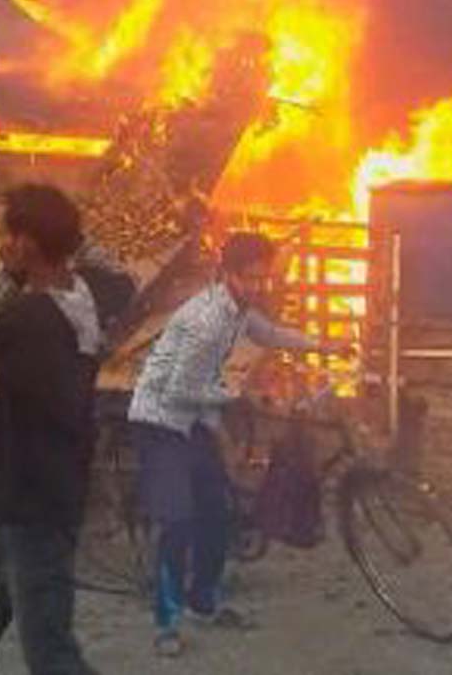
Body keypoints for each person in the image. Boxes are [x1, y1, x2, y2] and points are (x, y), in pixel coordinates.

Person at [0, 182, 135, 675]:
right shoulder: (91, 293)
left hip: (34, 504)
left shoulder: (27, 317)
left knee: (50, 655)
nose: (4, 246)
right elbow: (125, 278)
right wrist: (67, 237)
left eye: (11, 236)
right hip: (26, 497)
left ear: (26, 244)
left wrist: (7, 276)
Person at [128, 230, 338, 657]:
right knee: (178, 523)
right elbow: (180, 390)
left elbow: (269, 333)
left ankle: (203, 603)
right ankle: (167, 623)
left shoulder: (238, 308)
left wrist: (322, 344)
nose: (258, 286)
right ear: (227, 273)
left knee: (217, 514)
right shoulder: (205, 320)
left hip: (195, 420)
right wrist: (239, 395)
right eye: (251, 278)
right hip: (162, 419)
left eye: (264, 277)